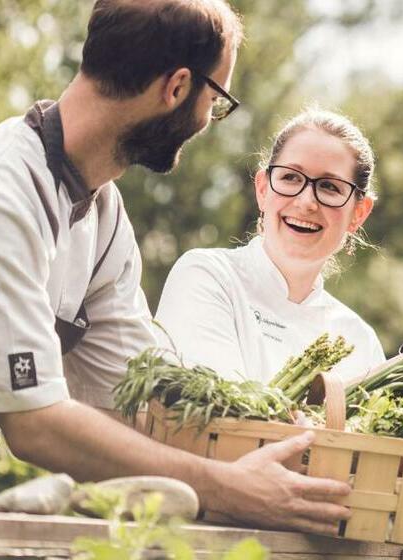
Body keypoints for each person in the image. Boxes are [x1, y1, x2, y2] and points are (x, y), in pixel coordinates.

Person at [0, 0, 351, 534]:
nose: (207, 121)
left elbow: (139, 396)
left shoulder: (101, 213)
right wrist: (227, 487)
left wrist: (276, 437)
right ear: (177, 87)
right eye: (215, 100)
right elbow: (35, 424)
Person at [155, 109, 384, 385]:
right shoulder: (208, 277)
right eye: (291, 178)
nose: (306, 202)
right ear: (263, 189)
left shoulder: (361, 343)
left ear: (358, 213)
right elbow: (212, 406)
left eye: (329, 187)